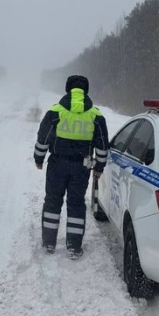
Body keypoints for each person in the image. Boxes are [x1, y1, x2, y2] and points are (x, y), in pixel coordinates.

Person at [33, 75, 109, 259]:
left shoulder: (56, 111)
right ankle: (74, 247)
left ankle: (49, 243)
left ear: (67, 90)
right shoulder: (96, 115)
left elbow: (44, 138)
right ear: (86, 91)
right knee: (76, 204)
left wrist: (39, 158)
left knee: (52, 200)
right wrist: (99, 166)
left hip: (57, 164)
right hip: (82, 167)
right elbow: (102, 145)